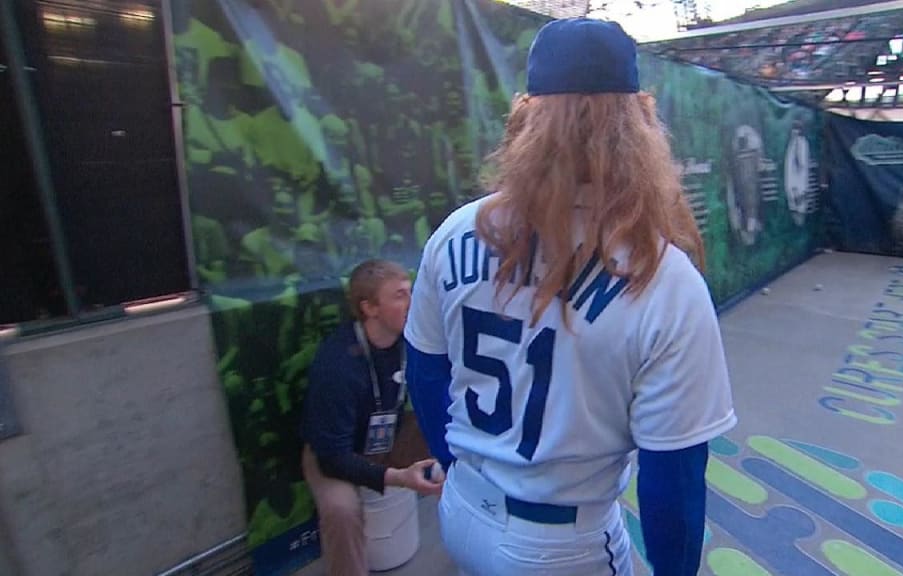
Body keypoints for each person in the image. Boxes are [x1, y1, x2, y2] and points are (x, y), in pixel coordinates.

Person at [403, 18, 737, 576]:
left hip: (461, 512)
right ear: (638, 128)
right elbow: (672, 479)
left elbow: (425, 371)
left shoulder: (457, 231)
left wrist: (465, 473)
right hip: (561, 548)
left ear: (527, 118)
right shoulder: (663, 277)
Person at [300, 259, 443, 576]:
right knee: (341, 510)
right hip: (339, 452)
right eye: (400, 295)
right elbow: (332, 458)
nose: (413, 301)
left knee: (455, 433)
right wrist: (398, 477)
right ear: (370, 308)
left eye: (411, 291)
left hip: (388, 432)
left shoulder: (410, 339)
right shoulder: (338, 364)